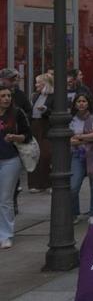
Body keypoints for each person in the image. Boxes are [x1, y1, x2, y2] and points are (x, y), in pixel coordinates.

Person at [0, 86, 32, 249]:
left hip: (10, 159)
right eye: (3, 96)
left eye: (8, 96)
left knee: (5, 199)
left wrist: (15, 137)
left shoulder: (17, 113)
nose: (6, 99)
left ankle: (6, 235)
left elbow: (28, 135)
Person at [68, 93, 93, 224]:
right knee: (73, 186)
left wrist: (81, 137)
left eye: (84, 101)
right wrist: (89, 137)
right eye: (79, 101)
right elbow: (70, 141)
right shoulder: (71, 118)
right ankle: (74, 213)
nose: (81, 103)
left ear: (88, 103)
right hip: (77, 154)